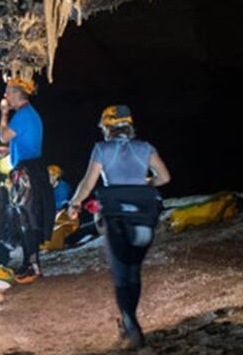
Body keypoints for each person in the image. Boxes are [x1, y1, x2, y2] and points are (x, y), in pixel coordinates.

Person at [68, 105, 171, 349]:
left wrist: (75, 204)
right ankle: (130, 320)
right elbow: (165, 178)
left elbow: (88, 183)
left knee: (121, 271)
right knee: (134, 270)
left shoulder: (102, 149)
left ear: (107, 127)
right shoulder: (145, 148)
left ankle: (130, 322)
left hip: (116, 217)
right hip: (144, 217)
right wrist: (144, 181)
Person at [0, 76, 55, 283]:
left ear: (16, 94)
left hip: (27, 171)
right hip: (30, 166)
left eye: (7, 92)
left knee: (27, 220)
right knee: (25, 218)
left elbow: (4, 135)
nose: (5, 96)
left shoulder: (21, 115)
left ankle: (34, 266)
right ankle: (28, 263)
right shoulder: (29, 114)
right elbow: (20, 141)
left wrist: (3, 114)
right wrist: (7, 151)